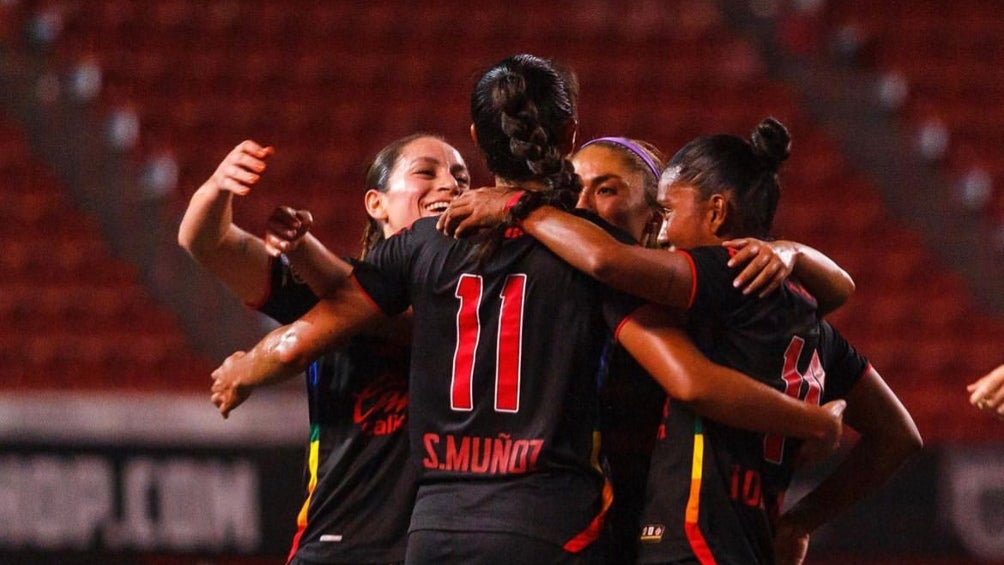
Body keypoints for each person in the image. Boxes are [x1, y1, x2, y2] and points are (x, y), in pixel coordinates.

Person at [207, 55, 846, 564]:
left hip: (435, 530)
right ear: (569, 137)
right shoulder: (593, 250)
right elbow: (688, 377)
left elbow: (322, 324)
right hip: (550, 525)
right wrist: (812, 423)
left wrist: (249, 367)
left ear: (481, 142)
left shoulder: (425, 242)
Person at [441, 117, 922, 564]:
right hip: (733, 536)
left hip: (687, 535)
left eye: (606, 189)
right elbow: (898, 433)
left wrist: (520, 206)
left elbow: (610, 264)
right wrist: (799, 520)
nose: (581, 207)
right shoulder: (797, 313)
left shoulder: (704, 279)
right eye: (573, 192)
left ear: (709, 213)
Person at [178, 133, 471, 564]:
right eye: (426, 172)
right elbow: (205, 242)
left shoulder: (483, 297)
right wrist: (218, 186)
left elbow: (381, 313)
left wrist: (258, 359)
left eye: (462, 177)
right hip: (339, 544)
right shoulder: (323, 293)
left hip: (440, 551)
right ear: (376, 204)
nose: (450, 184)